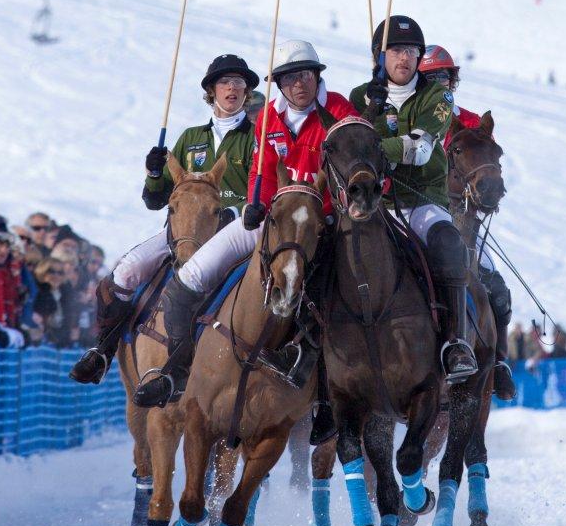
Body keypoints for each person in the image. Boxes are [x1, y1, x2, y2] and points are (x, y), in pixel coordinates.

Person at [132, 40, 356, 422]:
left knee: (336, 300)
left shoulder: (338, 110)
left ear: (317, 76)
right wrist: (257, 202)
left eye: (304, 75)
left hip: (319, 222)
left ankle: (327, 401)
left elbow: (352, 162)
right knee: (185, 281)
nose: (297, 84)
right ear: (279, 84)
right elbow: (260, 171)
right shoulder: (267, 118)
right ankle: (177, 370)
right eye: (288, 78)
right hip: (267, 219)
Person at [70, 54, 259, 385]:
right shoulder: (190, 137)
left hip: (234, 231)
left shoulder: (256, 137)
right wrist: (155, 173)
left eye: (239, 83)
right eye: (224, 82)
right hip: (181, 230)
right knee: (125, 272)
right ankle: (103, 350)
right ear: (211, 91)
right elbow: (156, 200)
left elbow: (263, 189)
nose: (232, 88)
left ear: (246, 92)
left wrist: (232, 211)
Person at [353, 16, 477, 382]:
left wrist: (373, 149)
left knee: (449, 243)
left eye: (411, 51)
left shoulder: (438, 96)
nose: (404, 58)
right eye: (395, 50)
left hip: (422, 202)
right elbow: (345, 149)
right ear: (380, 56)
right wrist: (369, 112)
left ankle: (455, 343)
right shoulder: (360, 96)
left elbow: (420, 149)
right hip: (375, 205)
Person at [418, 44, 516, 399]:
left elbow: (486, 176)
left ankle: (499, 362)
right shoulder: (413, 119)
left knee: (497, 291)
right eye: (430, 78)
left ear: (453, 80)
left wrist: (485, 196)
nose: (438, 83)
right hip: (420, 213)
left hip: (463, 222)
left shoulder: (472, 123)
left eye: (444, 76)